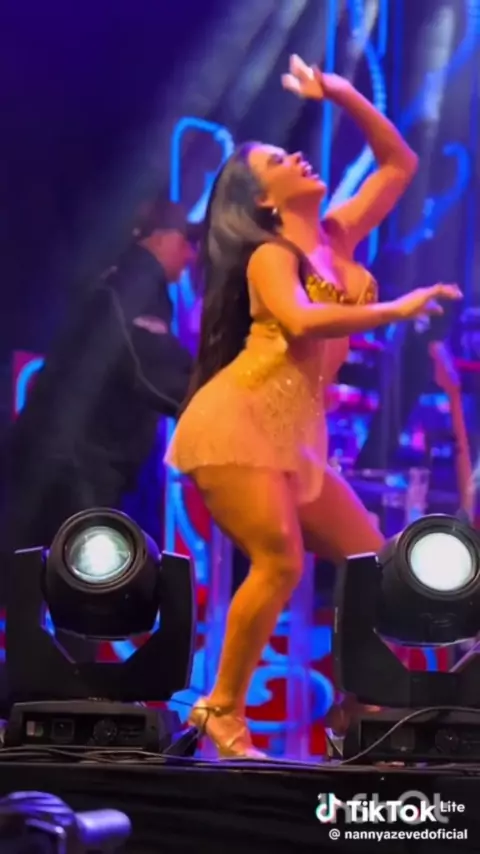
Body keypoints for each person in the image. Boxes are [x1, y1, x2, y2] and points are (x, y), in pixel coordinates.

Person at [165, 55, 462, 758]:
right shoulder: (270, 257)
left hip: (293, 437)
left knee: (372, 562)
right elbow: (300, 322)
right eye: (278, 159)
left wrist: (341, 91)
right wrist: (396, 308)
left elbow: (398, 163)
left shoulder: (337, 235)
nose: (296, 155)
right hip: (238, 422)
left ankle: (355, 709)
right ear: (265, 202)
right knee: (281, 561)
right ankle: (221, 709)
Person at [1, 199, 199, 657]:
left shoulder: (125, 279)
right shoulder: (136, 283)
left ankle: (37, 682)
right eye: (186, 243)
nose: (190, 256)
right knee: (82, 582)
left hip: (63, 454)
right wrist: (215, 403)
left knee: (43, 580)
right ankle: (67, 686)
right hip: (76, 460)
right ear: (163, 238)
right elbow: (149, 367)